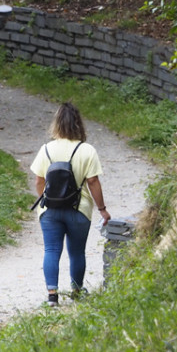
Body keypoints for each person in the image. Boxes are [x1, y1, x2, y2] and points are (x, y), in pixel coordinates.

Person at [30, 102, 110, 307]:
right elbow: (93, 182)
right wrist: (102, 209)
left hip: (50, 211)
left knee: (51, 250)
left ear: (56, 124)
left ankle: (52, 295)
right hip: (79, 209)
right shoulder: (87, 150)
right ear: (78, 124)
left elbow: (39, 181)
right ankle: (76, 290)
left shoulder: (46, 149)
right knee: (76, 252)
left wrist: (47, 199)